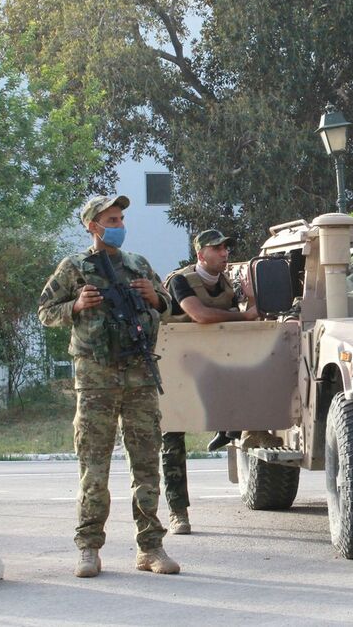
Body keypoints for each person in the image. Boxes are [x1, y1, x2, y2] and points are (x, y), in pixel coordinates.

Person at [38, 194, 180, 578]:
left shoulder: (137, 264)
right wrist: (75, 307)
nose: (118, 224)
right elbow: (44, 313)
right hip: (96, 380)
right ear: (92, 225)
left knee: (147, 466)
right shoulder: (74, 268)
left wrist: (158, 299)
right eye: (110, 219)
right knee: (94, 469)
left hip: (139, 377)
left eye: (120, 218)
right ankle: (88, 548)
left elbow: (167, 306)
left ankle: (150, 548)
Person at [160, 228, 261, 533]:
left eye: (226, 248)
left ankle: (231, 429)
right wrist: (243, 317)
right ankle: (178, 511)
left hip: (217, 366)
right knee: (172, 440)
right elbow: (199, 314)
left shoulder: (230, 281)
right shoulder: (181, 280)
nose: (224, 253)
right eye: (217, 249)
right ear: (201, 254)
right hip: (178, 366)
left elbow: (254, 311)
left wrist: (251, 294)